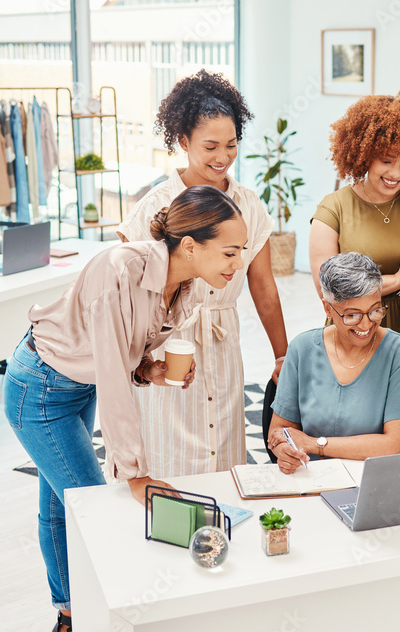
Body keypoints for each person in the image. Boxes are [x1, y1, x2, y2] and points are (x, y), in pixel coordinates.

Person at [4, 185, 247, 632]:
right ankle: (88, 619)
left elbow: (121, 352)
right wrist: (136, 474)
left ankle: (70, 614)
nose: (237, 265)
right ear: (191, 245)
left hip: (78, 383)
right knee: (94, 502)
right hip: (40, 389)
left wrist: (148, 369)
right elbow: (112, 376)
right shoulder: (119, 268)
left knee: (62, 504)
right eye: (231, 252)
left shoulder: (188, 285)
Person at [117, 70, 287, 478]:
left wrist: (283, 354)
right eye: (210, 146)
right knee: (167, 441)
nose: (222, 157)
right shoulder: (157, 203)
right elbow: (126, 288)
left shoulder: (248, 203)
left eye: (231, 145)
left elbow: (262, 284)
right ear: (183, 142)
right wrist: (140, 359)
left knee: (223, 441)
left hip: (224, 335)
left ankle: (218, 526)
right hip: (168, 338)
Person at [309, 93, 400, 413]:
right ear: (364, 154)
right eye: (387, 160)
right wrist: (397, 280)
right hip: (356, 327)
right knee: (359, 419)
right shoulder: (334, 208)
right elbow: (325, 286)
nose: (396, 173)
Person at [269, 253, 400, 474]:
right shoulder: (302, 348)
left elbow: (396, 444)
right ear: (328, 309)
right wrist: (285, 450)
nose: (367, 324)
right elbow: (279, 431)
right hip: (310, 476)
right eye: (353, 315)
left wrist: (314, 444)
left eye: (375, 310)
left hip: (373, 479)